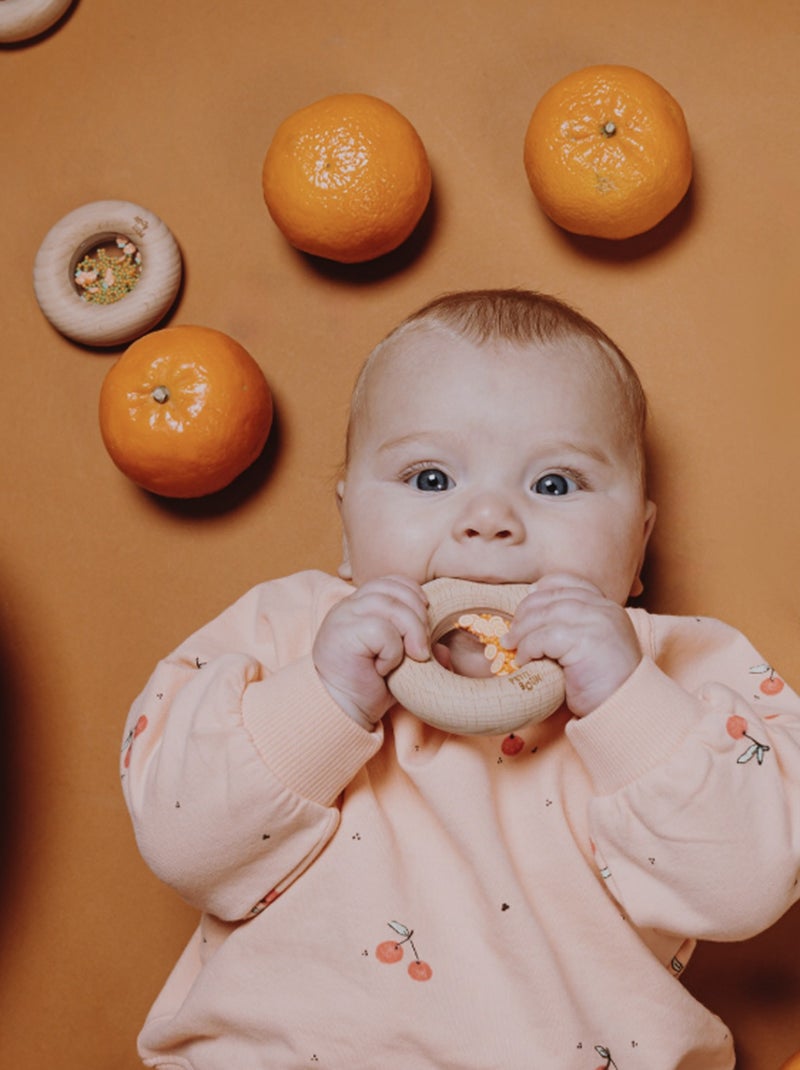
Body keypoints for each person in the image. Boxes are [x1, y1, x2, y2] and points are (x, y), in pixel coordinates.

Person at [121, 289, 800, 1070]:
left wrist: (627, 701)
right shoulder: (286, 633)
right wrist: (325, 699)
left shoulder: (678, 667)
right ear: (348, 529)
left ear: (638, 543)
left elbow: (744, 889)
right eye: (430, 478)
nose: (488, 518)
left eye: (555, 484)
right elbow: (183, 846)